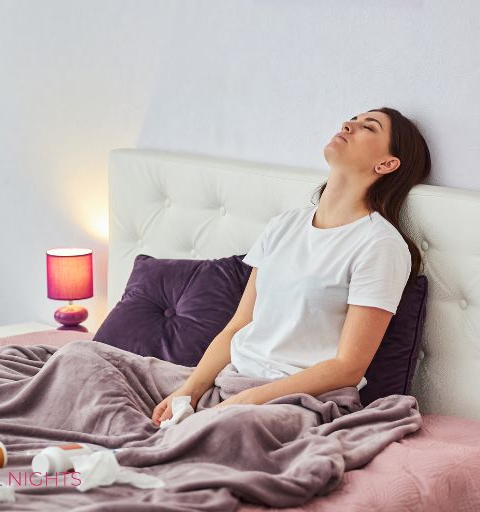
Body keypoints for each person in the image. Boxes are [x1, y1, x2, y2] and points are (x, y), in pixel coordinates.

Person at [152, 107, 432, 426]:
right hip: (232, 383)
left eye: (368, 127)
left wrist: (246, 402)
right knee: (87, 361)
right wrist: (188, 392)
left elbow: (349, 366)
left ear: (386, 164)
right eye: (352, 120)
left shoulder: (380, 245)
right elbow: (239, 324)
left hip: (296, 402)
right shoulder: (285, 224)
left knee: (224, 432)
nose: (348, 125)